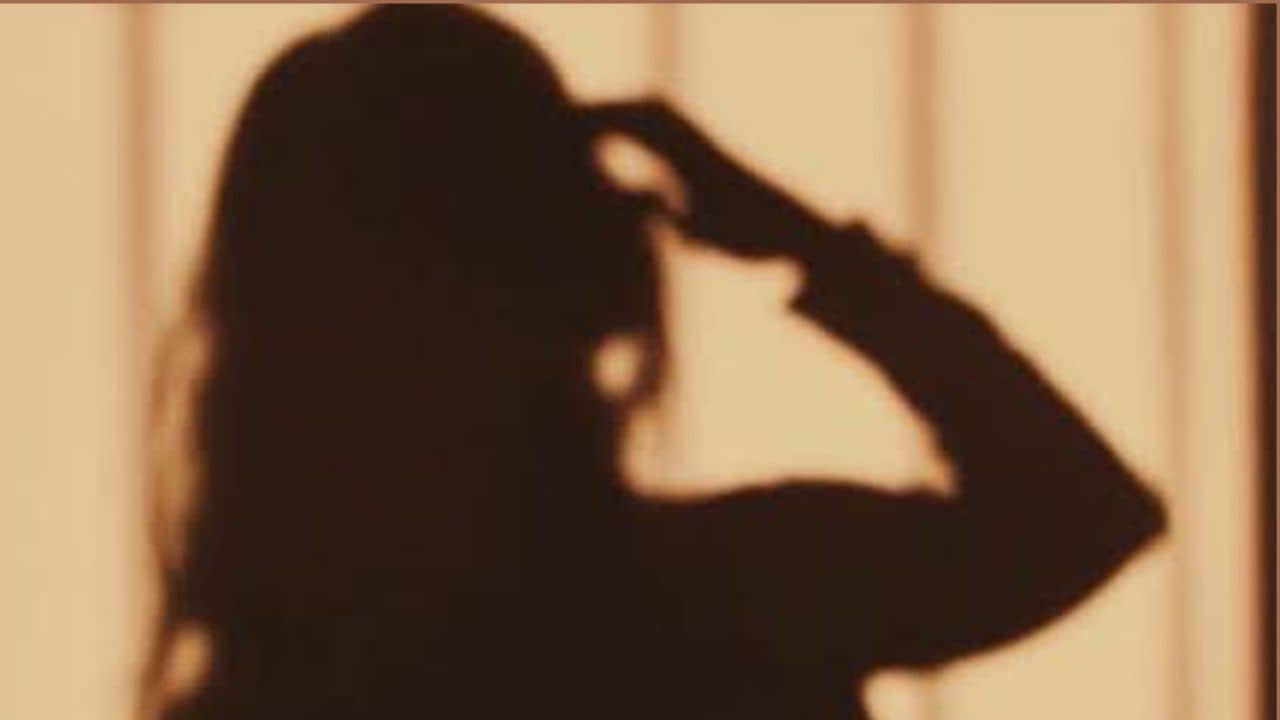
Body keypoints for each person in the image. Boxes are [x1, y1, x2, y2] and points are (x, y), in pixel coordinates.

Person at [144, 6, 1166, 720]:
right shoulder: (742, 596)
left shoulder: (270, 687)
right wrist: (805, 243)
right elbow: (1079, 512)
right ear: (573, 273)